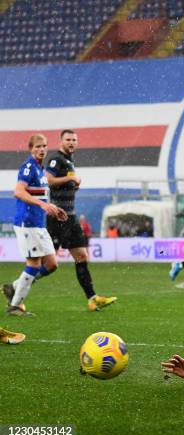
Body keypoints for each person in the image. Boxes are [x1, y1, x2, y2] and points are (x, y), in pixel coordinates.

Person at [44, 129, 116, 311]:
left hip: (70, 216)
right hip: (57, 216)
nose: (72, 142)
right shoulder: (56, 159)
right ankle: (18, 286)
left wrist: (74, 184)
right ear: (61, 141)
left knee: (82, 256)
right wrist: (71, 178)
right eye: (68, 139)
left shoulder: (69, 161)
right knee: (48, 263)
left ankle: (92, 299)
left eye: (74, 140)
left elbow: (64, 184)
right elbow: (49, 180)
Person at [3, 134, 67, 316]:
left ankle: (15, 286)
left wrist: (52, 207)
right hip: (27, 222)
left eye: (44, 146)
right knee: (34, 263)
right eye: (38, 146)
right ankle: (15, 306)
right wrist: (43, 205)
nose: (42, 149)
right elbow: (18, 192)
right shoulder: (28, 167)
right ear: (31, 148)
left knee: (52, 264)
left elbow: (40, 196)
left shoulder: (41, 170)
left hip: (39, 224)